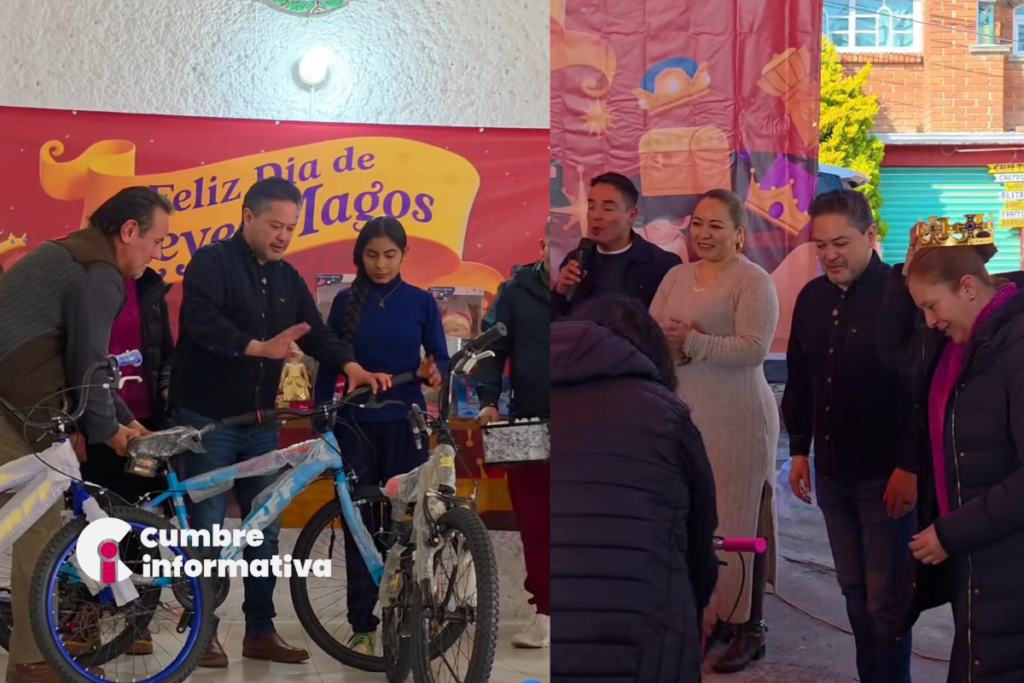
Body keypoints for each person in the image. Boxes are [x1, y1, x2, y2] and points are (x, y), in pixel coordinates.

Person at [170, 177, 390, 668]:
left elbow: (318, 333)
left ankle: (260, 630)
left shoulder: (289, 278)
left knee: (265, 531)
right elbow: (200, 323)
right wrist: (257, 347)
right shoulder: (211, 262)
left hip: (261, 426)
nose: (283, 236)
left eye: (291, 228)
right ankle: (202, 633)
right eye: (275, 226)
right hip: (208, 421)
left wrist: (352, 366)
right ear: (248, 217)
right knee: (206, 530)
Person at [0, 186, 171, 683]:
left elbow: (89, 366)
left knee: (33, 523)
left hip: (17, 400)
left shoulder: (73, 254)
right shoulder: (100, 274)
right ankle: (32, 663)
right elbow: (87, 363)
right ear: (130, 231)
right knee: (36, 528)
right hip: (14, 405)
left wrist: (125, 421)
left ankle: (32, 659)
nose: (157, 252)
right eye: (158, 240)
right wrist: (111, 432)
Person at [782, 190, 918, 683]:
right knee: (854, 594)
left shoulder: (903, 295)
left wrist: (911, 466)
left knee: (888, 601)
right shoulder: (811, 298)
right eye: (821, 246)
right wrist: (800, 450)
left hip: (887, 477)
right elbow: (800, 380)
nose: (829, 255)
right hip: (832, 474)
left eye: (840, 243)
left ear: (870, 236)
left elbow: (922, 389)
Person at [880, 227, 1024, 683]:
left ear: (968, 287)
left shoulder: (1015, 348)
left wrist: (951, 531)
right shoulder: (964, 346)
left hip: (1007, 562)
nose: (928, 321)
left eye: (932, 306)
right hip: (980, 561)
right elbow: (893, 350)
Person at [551, 295, 718, 683]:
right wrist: (693, 608)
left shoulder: (529, 404)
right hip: (647, 637)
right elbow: (700, 533)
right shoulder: (667, 414)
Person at [649, 189, 779, 673]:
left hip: (740, 418)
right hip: (685, 415)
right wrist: (673, 348)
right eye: (698, 224)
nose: (703, 234)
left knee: (740, 521)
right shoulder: (676, 277)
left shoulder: (754, 281)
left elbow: (753, 349)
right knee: (697, 519)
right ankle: (714, 616)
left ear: (738, 233)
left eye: (716, 226)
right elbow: (651, 336)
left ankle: (750, 627)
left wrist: (693, 342)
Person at [312, 216, 447, 656]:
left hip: (406, 427)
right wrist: (321, 421)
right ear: (360, 256)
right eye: (372, 255)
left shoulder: (421, 302)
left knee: (407, 525)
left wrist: (436, 373)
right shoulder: (345, 301)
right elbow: (329, 363)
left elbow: (441, 360)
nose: (381, 264)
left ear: (405, 255)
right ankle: (363, 624)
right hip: (355, 428)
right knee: (360, 528)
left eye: (390, 255)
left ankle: (407, 617)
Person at [72, 264, 175, 657]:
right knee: (95, 525)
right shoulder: (88, 286)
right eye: (154, 240)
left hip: (142, 425)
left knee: (140, 524)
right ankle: (86, 619)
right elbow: (75, 363)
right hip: (96, 426)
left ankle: (137, 620)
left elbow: (165, 355)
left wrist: (166, 397)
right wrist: (75, 425)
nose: (156, 251)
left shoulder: (149, 289)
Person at [475, 228, 551, 648]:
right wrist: (489, 401)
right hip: (527, 422)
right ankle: (545, 614)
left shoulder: (592, 288)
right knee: (535, 523)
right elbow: (492, 351)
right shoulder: (515, 290)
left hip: (588, 423)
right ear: (542, 246)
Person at [552, 172, 680, 318]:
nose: (595, 216)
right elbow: (557, 320)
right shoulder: (576, 260)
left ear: (632, 215)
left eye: (608, 209)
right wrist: (560, 292)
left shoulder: (663, 265)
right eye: (591, 206)